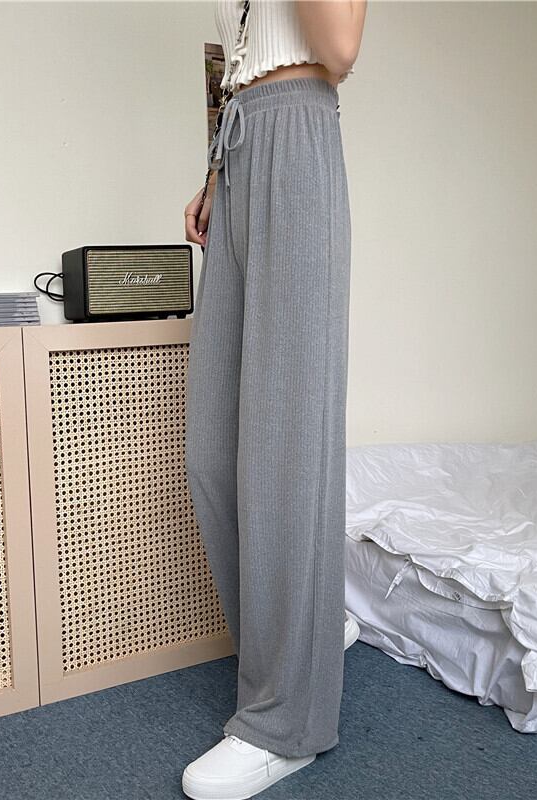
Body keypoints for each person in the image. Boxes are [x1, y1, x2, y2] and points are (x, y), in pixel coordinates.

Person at [182, 2, 366, 798]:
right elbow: (240, 55)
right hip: (241, 144)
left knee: (285, 448)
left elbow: (339, 48)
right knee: (214, 452)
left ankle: (286, 721)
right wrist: (215, 172)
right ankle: (310, 632)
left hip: (298, 134)